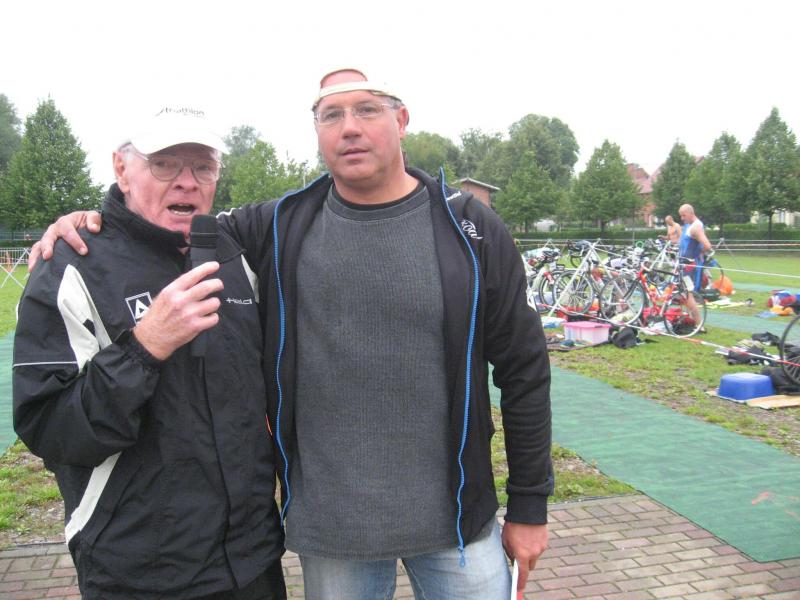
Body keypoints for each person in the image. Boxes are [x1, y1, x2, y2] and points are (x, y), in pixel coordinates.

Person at [31, 68, 553, 600]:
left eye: (367, 110)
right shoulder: (280, 225)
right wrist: (89, 221)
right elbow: (154, 223)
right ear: (317, 131)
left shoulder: (469, 229)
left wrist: (530, 505)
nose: (350, 128)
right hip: (332, 527)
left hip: (458, 520)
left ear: (401, 120)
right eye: (331, 115)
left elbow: (525, 370)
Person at [14, 108, 286, 600]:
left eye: (203, 166)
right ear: (122, 169)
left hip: (252, 561)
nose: (187, 181)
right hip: (140, 573)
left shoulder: (233, 251)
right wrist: (144, 348)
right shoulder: (71, 266)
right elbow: (49, 428)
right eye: (164, 164)